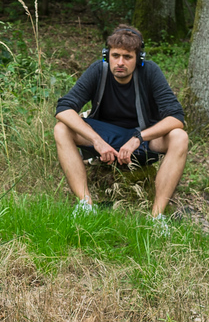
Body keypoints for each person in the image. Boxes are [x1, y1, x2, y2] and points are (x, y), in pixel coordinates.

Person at [52, 24, 191, 222]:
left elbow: (177, 118)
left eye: (127, 57)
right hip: (104, 138)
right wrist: (96, 140)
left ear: (139, 59)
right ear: (106, 55)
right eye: (115, 55)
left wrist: (139, 138)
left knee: (179, 136)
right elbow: (64, 108)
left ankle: (157, 216)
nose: (120, 62)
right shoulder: (98, 70)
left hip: (142, 139)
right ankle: (85, 204)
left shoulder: (150, 71)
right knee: (61, 129)